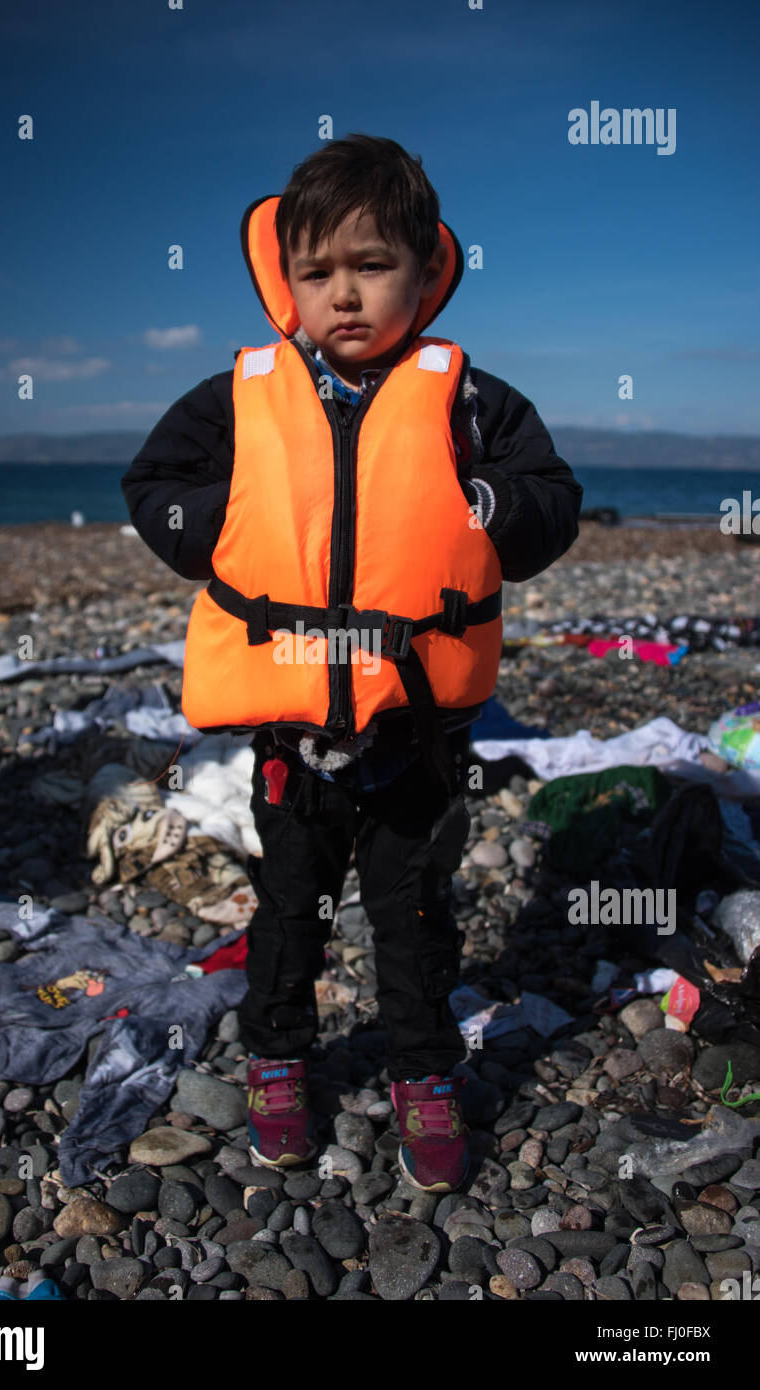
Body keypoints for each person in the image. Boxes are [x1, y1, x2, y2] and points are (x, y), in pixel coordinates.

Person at [121, 133, 583, 1193]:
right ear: (284, 282)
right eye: (318, 272)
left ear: (425, 270)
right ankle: (279, 1060)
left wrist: (492, 512)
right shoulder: (239, 395)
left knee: (414, 915)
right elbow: (155, 480)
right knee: (287, 912)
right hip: (291, 740)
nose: (344, 295)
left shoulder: (467, 399)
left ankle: (424, 1072)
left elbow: (551, 495)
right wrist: (209, 529)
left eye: (372, 266)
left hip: (417, 733)